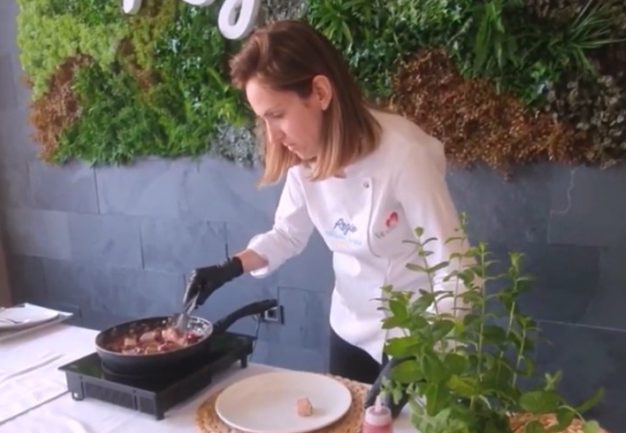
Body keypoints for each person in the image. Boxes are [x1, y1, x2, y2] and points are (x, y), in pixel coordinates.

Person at [186, 20, 471, 389]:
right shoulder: (305, 160)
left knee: (407, 430)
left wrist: (423, 350)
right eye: (263, 119)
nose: (273, 136)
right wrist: (231, 267)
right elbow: (287, 234)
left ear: (320, 92)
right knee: (345, 425)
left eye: (277, 115)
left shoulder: (404, 155)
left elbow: (456, 265)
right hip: (349, 327)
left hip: (416, 334)